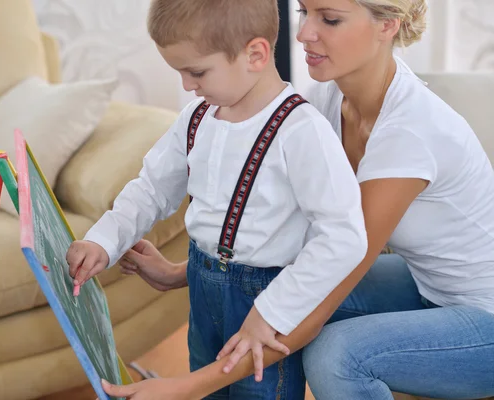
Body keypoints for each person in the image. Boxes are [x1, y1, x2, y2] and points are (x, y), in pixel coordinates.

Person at [101, 0, 494, 399]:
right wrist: (183, 273)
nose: (304, 33)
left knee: (334, 355)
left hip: (486, 320)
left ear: (388, 26)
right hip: (426, 286)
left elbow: (325, 292)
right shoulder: (324, 98)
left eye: (330, 19)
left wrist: (186, 388)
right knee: (270, 292)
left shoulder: (409, 132)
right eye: (304, 12)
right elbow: (291, 244)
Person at [66, 0, 369, 398]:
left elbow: (344, 238)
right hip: (203, 288)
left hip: (264, 300)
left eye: (196, 72)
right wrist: (103, 240)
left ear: (256, 54)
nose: (187, 85)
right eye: (180, 72)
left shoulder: (302, 131)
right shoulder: (196, 118)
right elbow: (150, 187)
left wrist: (271, 313)